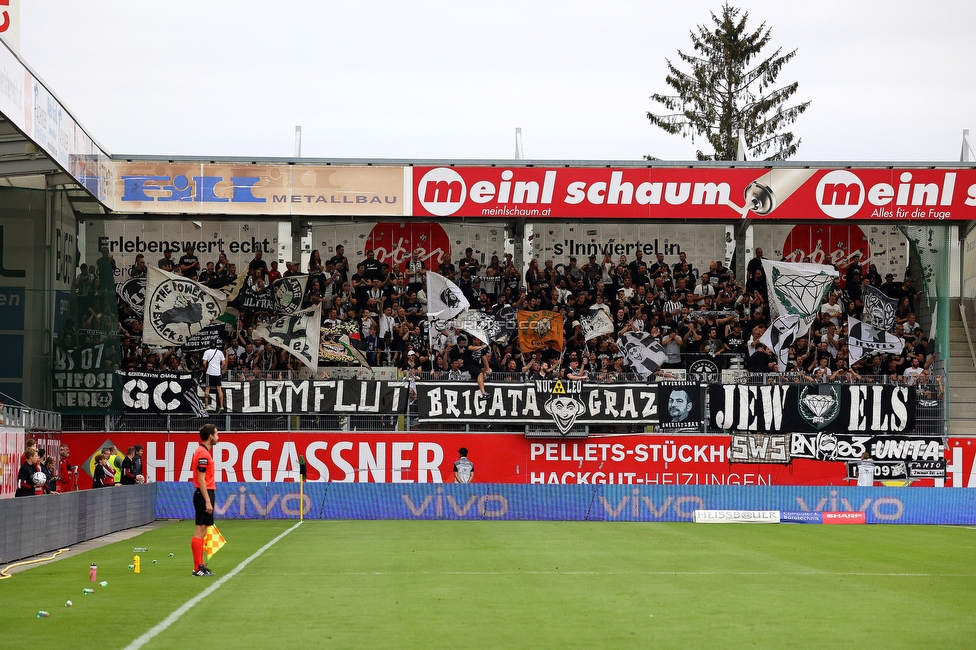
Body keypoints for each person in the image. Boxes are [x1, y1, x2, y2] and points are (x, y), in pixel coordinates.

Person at [191, 424, 219, 577]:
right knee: (200, 530)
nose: (218, 437)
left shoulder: (203, 452)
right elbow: (201, 480)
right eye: (216, 434)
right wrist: (207, 500)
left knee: (202, 530)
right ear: (210, 436)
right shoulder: (203, 454)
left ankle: (199, 566)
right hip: (204, 493)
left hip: (205, 493)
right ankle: (197, 568)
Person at [203, 342, 227, 412]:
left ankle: (206, 405)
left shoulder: (206, 352)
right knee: (219, 389)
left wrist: (206, 368)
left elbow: (204, 363)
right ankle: (221, 406)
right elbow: (224, 363)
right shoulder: (220, 352)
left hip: (209, 372)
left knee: (207, 389)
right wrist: (220, 368)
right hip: (217, 373)